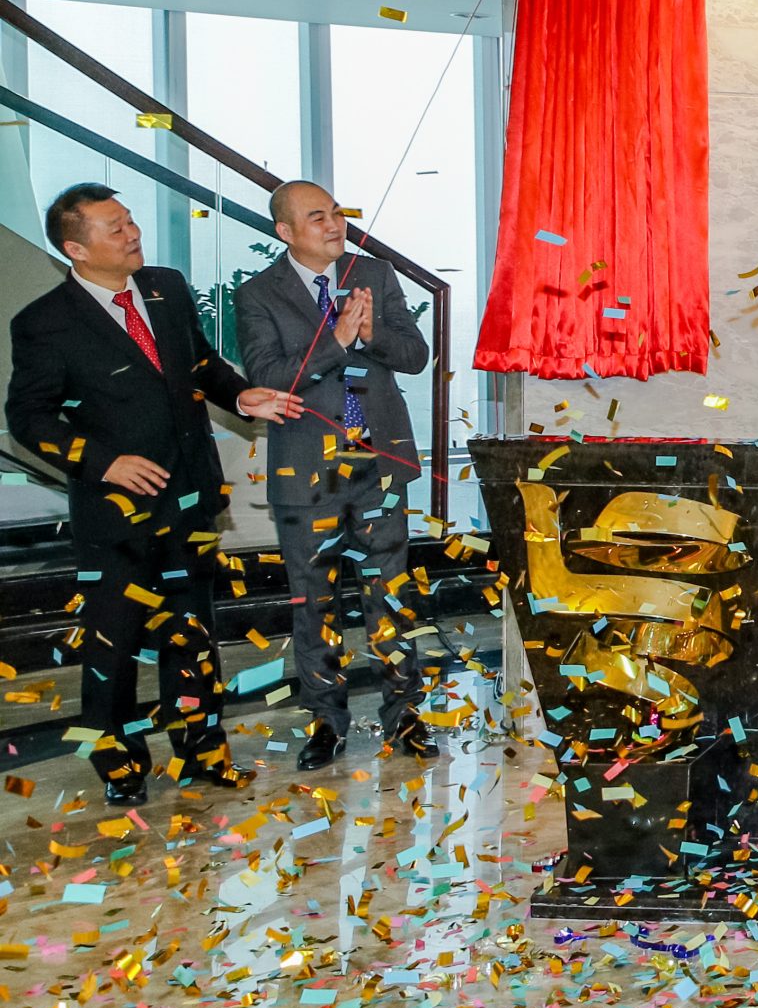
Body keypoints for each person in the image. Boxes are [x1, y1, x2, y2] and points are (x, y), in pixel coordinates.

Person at [4, 186, 304, 801]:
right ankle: (119, 766)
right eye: (115, 228)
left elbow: (200, 365)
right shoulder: (44, 322)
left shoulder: (166, 288)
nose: (133, 233)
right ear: (75, 248)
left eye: (130, 220)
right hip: (114, 515)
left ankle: (202, 753)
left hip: (189, 497)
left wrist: (239, 395)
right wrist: (104, 463)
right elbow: (28, 418)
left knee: (192, 637)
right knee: (111, 650)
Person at [237, 181, 437, 768]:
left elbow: (415, 356)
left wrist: (373, 335)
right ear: (285, 231)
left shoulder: (372, 273)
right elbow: (269, 374)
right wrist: (338, 339)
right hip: (307, 472)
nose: (334, 225)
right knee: (314, 602)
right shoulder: (258, 293)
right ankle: (326, 720)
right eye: (317, 217)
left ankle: (405, 714)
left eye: (336, 213)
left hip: (378, 464)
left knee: (390, 597)